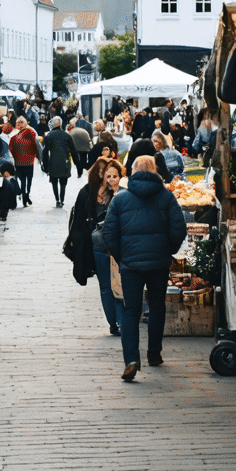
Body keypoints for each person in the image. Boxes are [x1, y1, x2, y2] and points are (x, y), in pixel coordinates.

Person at [101, 155, 187, 381]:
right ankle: (154, 354)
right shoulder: (167, 197)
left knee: (131, 310)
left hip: (131, 265)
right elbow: (179, 228)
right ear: (155, 171)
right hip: (159, 263)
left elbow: (108, 234)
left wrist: (122, 257)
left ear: (133, 171)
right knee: (157, 307)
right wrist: (168, 250)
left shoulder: (120, 199)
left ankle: (131, 359)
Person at [65, 157, 127, 335]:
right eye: (106, 175)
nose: (107, 179)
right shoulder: (91, 193)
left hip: (109, 244)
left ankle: (118, 322)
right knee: (108, 286)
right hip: (101, 244)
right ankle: (115, 323)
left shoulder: (116, 193)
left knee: (112, 285)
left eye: (111, 175)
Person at [41, 116, 83, 208]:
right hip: (65, 161)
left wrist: (45, 166)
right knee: (63, 182)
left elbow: (45, 152)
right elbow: (73, 152)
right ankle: (62, 199)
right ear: (60, 123)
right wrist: (79, 167)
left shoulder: (49, 136)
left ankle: (57, 199)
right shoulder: (67, 136)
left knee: (54, 181)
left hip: (53, 161)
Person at [6, 116, 38, 206]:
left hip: (19, 162)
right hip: (28, 162)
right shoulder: (31, 132)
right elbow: (35, 144)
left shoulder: (13, 135)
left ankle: (25, 195)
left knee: (23, 180)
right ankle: (26, 194)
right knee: (29, 180)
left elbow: (10, 148)